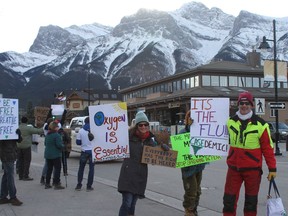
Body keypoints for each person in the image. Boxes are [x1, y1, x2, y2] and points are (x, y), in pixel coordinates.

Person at [223, 91, 277, 216]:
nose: (244, 105)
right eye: (241, 103)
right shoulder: (229, 121)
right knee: (228, 201)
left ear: (251, 105)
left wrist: (272, 169)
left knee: (251, 203)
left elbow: (268, 149)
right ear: (238, 104)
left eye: (247, 103)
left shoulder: (261, 125)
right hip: (233, 169)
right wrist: (191, 124)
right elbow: (210, 130)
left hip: (253, 170)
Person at [117, 111, 169, 216]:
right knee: (127, 203)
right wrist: (94, 138)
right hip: (127, 175)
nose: (143, 127)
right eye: (141, 124)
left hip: (140, 176)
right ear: (137, 125)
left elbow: (156, 153)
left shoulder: (150, 139)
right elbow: (112, 141)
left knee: (132, 205)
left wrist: (164, 147)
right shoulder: (128, 137)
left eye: (145, 124)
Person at [179, 110, 206, 216]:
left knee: (197, 191)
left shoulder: (202, 132)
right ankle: (189, 211)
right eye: (190, 118)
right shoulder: (183, 132)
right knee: (191, 191)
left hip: (199, 166)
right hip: (188, 168)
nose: (192, 120)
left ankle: (194, 210)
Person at [0, 129, 23, 206]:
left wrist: (18, 134)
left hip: (12, 154)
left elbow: (19, 140)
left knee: (6, 175)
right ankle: (13, 197)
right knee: (10, 176)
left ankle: (3, 196)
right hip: (6, 155)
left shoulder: (11, 128)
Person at [18, 116, 43, 181]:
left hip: (18, 146)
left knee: (20, 161)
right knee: (27, 161)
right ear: (27, 121)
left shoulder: (18, 127)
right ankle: (25, 175)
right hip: (26, 146)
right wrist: (44, 126)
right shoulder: (28, 128)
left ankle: (20, 175)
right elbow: (38, 131)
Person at [75, 117, 95, 192]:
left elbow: (78, 142)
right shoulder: (94, 130)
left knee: (81, 168)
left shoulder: (81, 131)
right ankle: (89, 186)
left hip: (84, 151)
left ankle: (79, 185)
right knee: (91, 169)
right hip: (92, 152)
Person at [44, 121, 65, 189]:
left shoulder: (48, 134)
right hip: (55, 154)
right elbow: (59, 145)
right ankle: (56, 183)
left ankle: (47, 183)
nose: (58, 128)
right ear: (55, 127)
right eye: (57, 126)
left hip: (48, 154)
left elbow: (45, 143)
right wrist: (63, 146)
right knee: (57, 169)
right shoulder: (57, 135)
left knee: (49, 169)